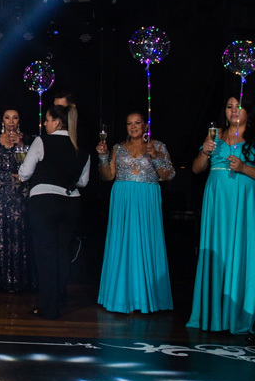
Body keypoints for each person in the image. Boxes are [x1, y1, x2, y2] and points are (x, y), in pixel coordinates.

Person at [187, 96, 255, 335]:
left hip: (243, 204)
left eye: (239, 106)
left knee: (241, 251)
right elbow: (196, 168)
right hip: (217, 202)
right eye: (229, 107)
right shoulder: (214, 136)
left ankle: (239, 314)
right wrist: (205, 152)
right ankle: (214, 314)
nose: (234, 111)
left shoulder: (253, 139)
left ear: (248, 111)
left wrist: (244, 168)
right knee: (217, 251)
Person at [96, 111, 175, 315]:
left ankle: (145, 297)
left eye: (137, 123)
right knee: (122, 243)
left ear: (145, 126)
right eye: (129, 123)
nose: (133, 127)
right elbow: (108, 176)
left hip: (146, 198)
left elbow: (169, 175)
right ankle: (121, 297)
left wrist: (155, 157)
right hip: (123, 199)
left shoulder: (157, 146)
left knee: (145, 242)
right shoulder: (118, 148)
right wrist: (103, 157)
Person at [18, 104, 89, 320]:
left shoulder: (42, 141)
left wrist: (23, 174)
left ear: (57, 122)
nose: (45, 124)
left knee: (46, 255)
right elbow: (83, 181)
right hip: (71, 203)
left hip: (45, 202)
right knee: (62, 253)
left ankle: (48, 308)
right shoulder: (81, 147)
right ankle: (57, 300)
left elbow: (25, 172)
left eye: (48, 120)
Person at [0, 108, 34, 293]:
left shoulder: (28, 140)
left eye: (15, 118)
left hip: (19, 191)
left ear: (19, 120)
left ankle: (19, 280)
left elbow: (32, 165)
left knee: (19, 232)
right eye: (7, 118)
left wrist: (21, 144)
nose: (11, 121)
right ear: (2, 121)